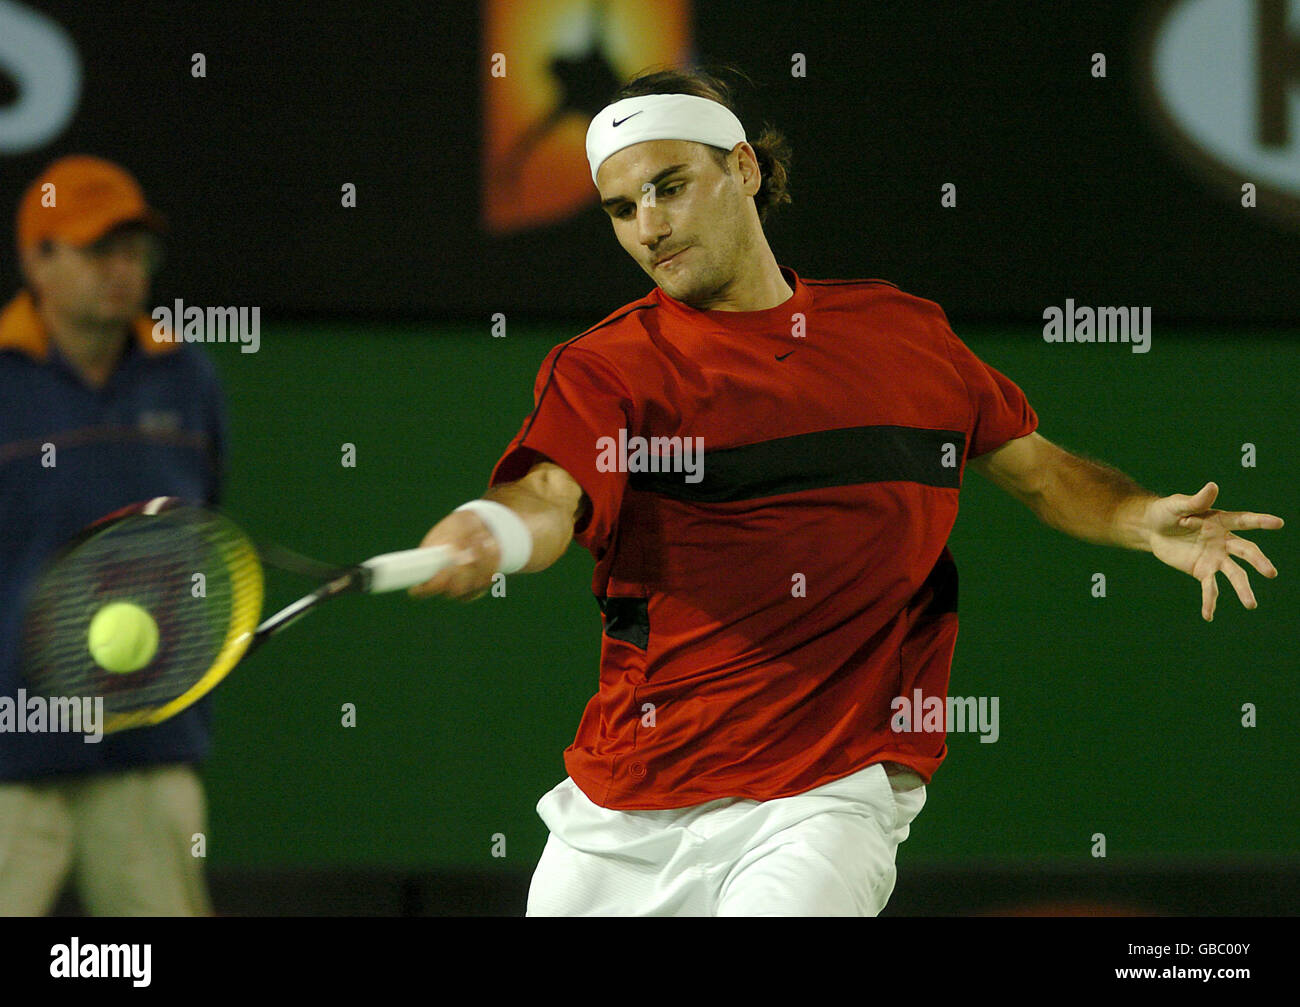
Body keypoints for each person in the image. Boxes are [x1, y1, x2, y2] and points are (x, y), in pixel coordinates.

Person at [407, 69, 1284, 916]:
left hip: (825, 796)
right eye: (623, 208)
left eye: (669, 187)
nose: (649, 227)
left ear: (743, 168)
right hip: (625, 809)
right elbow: (551, 493)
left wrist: (1137, 517)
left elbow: (1042, 472)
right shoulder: (607, 369)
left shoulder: (903, 336)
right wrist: (491, 528)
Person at [0, 155, 225, 915]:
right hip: (9, 752)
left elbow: (201, 527)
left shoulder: (187, 379)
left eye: (135, 251)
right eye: (100, 250)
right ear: (37, 258)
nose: (123, 269)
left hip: (147, 748)